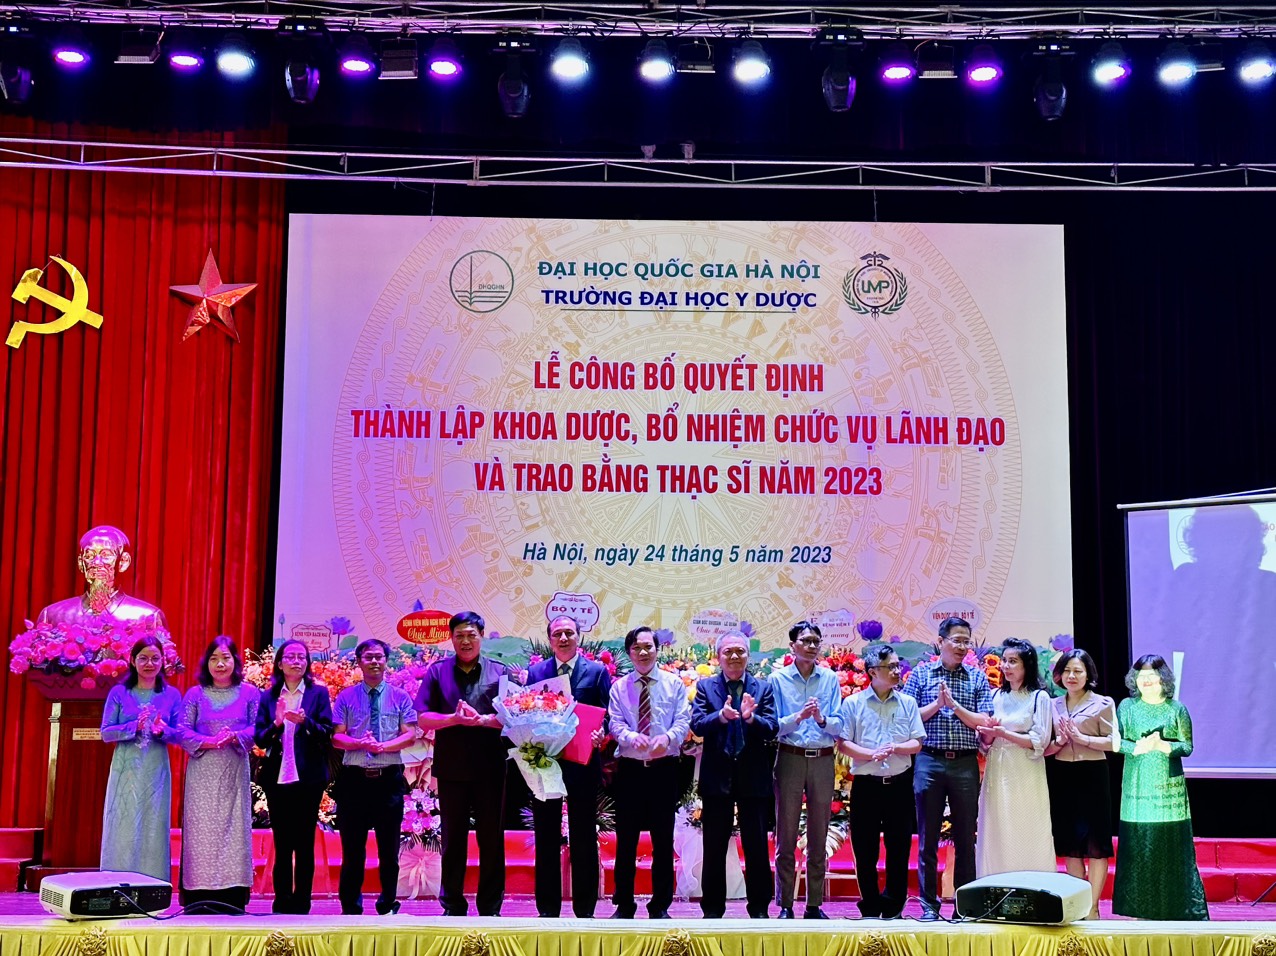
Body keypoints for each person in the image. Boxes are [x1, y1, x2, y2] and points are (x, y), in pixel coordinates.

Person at [416, 612, 509, 917]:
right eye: (459, 636)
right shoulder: (437, 672)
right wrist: (453, 719)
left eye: (471, 635)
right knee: (453, 839)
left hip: (491, 767)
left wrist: (483, 720)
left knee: (491, 840)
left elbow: (512, 718)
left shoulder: (499, 672)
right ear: (451, 638)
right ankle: (453, 905)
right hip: (452, 768)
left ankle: (490, 907)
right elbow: (423, 718)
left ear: (481, 636)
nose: (465, 641)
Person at [901, 616, 994, 920]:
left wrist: (954, 706)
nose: (962, 646)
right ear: (941, 642)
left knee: (966, 837)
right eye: (956, 640)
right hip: (928, 760)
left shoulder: (977, 677)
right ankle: (929, 906)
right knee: (927, 837)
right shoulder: (921, 674)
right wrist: (938, 705)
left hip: (965, 763)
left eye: (966, 641)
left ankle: (964, 906)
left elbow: (984, 720)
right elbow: (907, 717)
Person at [525, 614, 612, 918]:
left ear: (579, 637)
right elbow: (525, 711)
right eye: (557, 634)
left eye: (569, 633)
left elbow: (607, 713)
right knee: (546, 835)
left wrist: (602, 733)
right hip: (545, 761)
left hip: (582, 762)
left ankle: (585, 909)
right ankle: (547, 909)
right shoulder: (536, 672)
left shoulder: (597, 672)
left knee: (584, 835)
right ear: (550, 639)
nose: (563, 638)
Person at [1112, 653, 1208, 920]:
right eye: (1141, 676)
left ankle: (1176, 908)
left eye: (1152, 676)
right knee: (1140, 846)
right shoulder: (1127, 707)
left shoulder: (1177, 709)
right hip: (1136, 788)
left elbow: (1187, 746)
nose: (1146, 681)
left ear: (1163, 678)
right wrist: (1138, 747)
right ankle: (1140, 910)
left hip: (1168, 791)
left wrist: (1164, 746)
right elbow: (1116, 741)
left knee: (1169, 846)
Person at [690, 630, 778, 919]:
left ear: (748, 656)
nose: (734, 656)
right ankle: (713, 910)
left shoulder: (762, 688)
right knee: (714, 846)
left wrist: (751, 719)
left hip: (754, 778)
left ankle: (760, 909)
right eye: (728, 651)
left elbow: (772, 728)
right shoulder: (706, 687)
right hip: (717, 778)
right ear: (718, 657)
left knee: (756, 847)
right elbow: (698, 724)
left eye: (740, 651)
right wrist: (721, 716)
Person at [607, 625, 692, 919]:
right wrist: (631, 737)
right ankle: (624, 904)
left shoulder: (674, 684)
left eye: (648, 647)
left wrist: (667, 738)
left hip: (663, 770)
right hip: (630, 770)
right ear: (629, 652)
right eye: (637, 648)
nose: (643, 652)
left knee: (663, 840)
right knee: (626, 840)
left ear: (657, 649)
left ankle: (660, 906)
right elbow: (614, 723)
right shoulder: (619, 687)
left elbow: (682, 720)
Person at [837, 644, 925, 919]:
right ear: (873, 671)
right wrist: (871, 754)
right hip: (867, 784)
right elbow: (844, 743)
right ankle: (871, 904)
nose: (897, 671)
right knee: (865, 848)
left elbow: (917, 742)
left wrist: (897, 747)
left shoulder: (907, 702)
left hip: (899, 784)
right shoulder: (853, 703)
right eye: (891, 667)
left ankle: (894, 904)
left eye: (898, 666)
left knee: (899, 847)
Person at [332, 638, 417, 916]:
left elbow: (410, 734)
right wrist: (360, 743)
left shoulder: (400, 697)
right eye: (368, 657)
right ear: (359, 662)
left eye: (379, 657)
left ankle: (387, 903)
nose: (374, 662)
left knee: (388, 850)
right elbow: (337, 737)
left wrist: (383, 747)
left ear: (386, 661)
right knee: (352, 850)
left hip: (388, 780)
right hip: (354, 780)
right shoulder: (346, 697)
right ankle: (350, 907)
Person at [769, 621, 845, 919]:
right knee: (786, 832)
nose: (812, 646)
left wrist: (822, 719)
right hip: (790, 756)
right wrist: (799, 717)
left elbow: (839, 725)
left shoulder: (830, 678)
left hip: (823, 758)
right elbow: (773, 726)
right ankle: (785, 904)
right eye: (806, 641)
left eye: (816, 641)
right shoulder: (777, 680)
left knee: (819, 833)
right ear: (792, 646)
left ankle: (814, 904)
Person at [179, 636, 260, 911]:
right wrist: (211, 742)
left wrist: (235, 736)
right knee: (200, 829)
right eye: (214, 658)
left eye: (225, 658)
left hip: (234, 769)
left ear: (235, 661)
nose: (220, 664)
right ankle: (198, 896)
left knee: (234, 828)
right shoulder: (195, 694)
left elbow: (257, 728)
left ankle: (233, 896)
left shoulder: (250, 693)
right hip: (202, 771)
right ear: (207, 663)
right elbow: (182, 731)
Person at [253, 639, 334, 914]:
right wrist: (277, 723)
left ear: (307, 663)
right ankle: (282, 901)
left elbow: (327, 733)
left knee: (304, 842)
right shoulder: (268, 697)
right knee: (283, 842)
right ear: (279, 663)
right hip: (277, 778)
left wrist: (305, 722)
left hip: (308, 778)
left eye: (302, 657)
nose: (297, 661)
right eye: (290, 657)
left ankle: (302, 902)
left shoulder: (317, 694)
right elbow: (260, 739)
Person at [99, 635, 184, 882]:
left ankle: (153, 884)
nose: (149, 664)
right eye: (143, 658)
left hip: (156, 770)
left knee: (153, 824)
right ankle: (116, 883)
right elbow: (105, 732)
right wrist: (132, 727)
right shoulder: (119, 693)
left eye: (155, 658)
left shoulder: (171, 695)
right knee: (122, 822)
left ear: (163, 661)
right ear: (132, 660)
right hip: (125, 770)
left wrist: (162, 731)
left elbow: (180, 735)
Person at [1044, 648, 1116, 920]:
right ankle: (1081, 904)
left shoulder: (1102, 703)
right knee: (1070, 843)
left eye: (1078, 671)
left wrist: (1083, 739)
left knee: (1096, 843)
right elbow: (1045, 748)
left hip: (1093, 773)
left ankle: (1093, 907)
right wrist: (1061, 741)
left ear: (1088, 675)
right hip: (1062, 774)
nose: (1071, 676)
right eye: (1067, 671)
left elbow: (1113, 742)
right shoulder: (1052, 704)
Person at [975, 638, 1056, 877]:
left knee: (1026, 822)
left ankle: (1032, 882)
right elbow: (984, 744)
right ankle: (994, 882)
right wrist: (989, 734)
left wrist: (1004, 733)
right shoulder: (995, 695)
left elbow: (1040, 740)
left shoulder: (1038, 697)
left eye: (1013, 661)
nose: (1006, 666)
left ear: (1026, 665)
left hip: (1025, 768)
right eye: (1004, 661)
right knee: (997, 824)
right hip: (998, 767)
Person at [38, 525, 169, 629]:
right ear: (81, 564)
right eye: (89, 556)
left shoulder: (148, 617)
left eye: (106, 555)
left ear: (123, 562)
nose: (96, 562)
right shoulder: (53, 615)